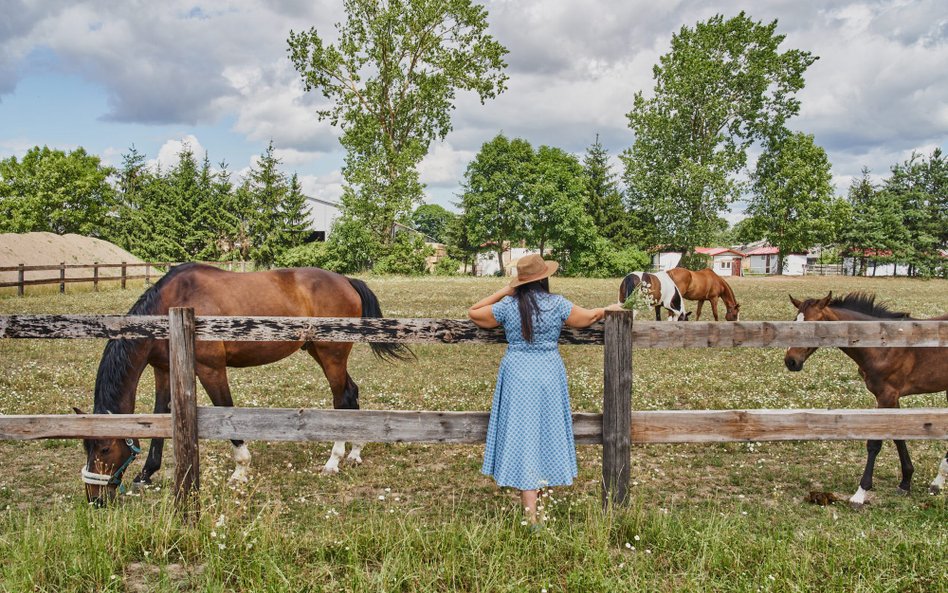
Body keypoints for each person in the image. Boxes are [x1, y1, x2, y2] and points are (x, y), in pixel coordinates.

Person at [468, 254, 622, 524]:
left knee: (522, 434)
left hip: (517, 373)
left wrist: (507, 289)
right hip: (548, 372)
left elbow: (474, 312)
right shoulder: (557, 304)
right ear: (544, 278)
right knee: (544, 432)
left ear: (521, 282)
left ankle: (531, 512)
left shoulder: (508, 306)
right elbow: (588, 318)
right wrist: (609, 308)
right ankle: (534, 508)